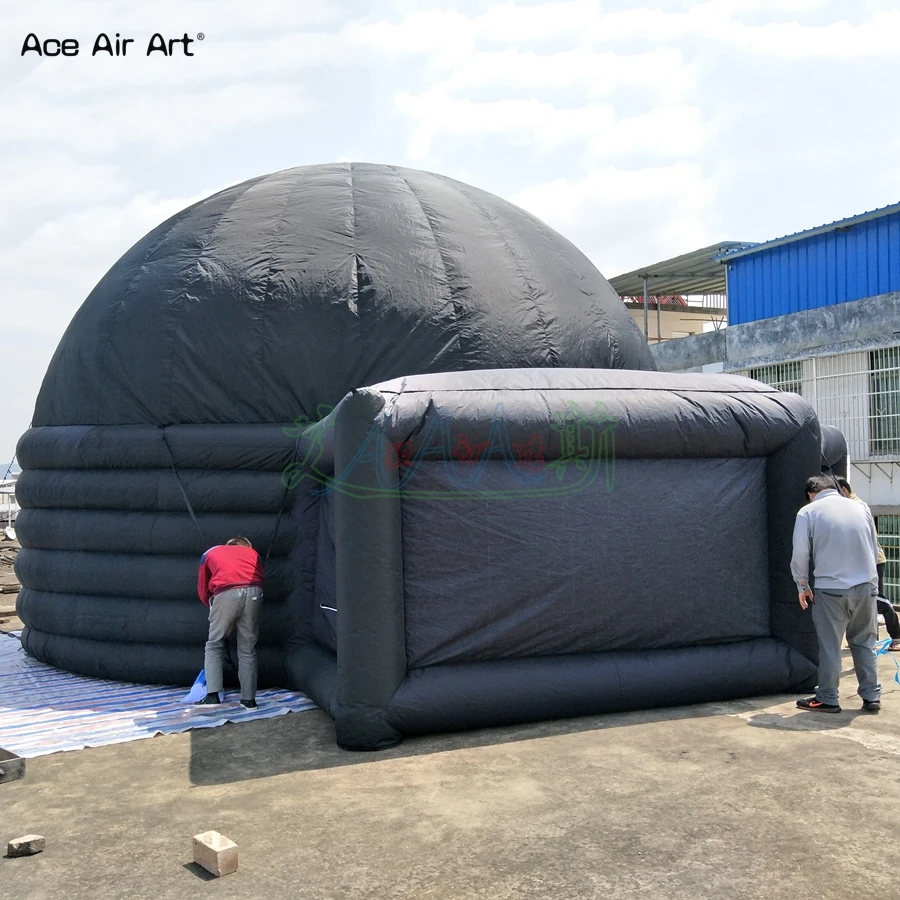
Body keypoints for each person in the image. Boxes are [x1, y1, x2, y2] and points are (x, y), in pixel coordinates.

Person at [791, 474, 881, 713]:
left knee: (830, 645)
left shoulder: (808, 512)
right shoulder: (861, 507)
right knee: (865, 643)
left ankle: (828, 697)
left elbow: (800, 554)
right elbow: (873, 546)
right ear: (836, 488)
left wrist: (802, 585)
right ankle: (871, 696)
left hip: (831, 589)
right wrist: (873, 584)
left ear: (810, 494)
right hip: (866, 586)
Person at [195, 537, 264, 708]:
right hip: (255, 593)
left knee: (214, 644)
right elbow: (259, 577)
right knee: (248, 648)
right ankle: (249, 700)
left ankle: (212, 695)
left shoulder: (211, 552)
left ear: (229, 545)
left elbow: (203, 587)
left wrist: (214, 608)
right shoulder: (253, 553)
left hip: (227, 592)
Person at [835, 475, 900, 651]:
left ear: (844, 490)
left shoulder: (855, 505)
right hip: (864, 560)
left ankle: (897, 636)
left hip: (872, 560)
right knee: (868, 601)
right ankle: (872, 637)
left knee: (876, 599)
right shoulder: (853, 504)